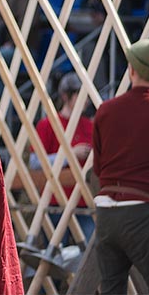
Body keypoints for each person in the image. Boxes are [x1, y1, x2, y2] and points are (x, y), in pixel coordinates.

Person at [91, 37, 149, 295]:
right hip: (145, 213)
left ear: (131, 70)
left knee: (111, 289)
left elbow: (99, 169)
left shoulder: (106, 111)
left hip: (107, 212)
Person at [30, 73, 94, 241]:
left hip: (84, 202)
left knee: (88, 254)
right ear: (66, 96)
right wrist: (70, 154)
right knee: (55, 256)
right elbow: (35, 162)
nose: (85, 101)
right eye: (80, 96)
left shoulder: (90, 125)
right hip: (55, 204)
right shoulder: (47, 124)